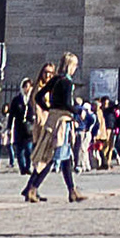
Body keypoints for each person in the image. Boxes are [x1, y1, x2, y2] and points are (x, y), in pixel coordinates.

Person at [23, 55, 83, 202]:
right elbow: (67, 104)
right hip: (62, 122)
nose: (75, 68)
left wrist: (49, 108)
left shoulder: (55, 80)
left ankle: (72, 190)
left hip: (52, 119)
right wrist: (77, 111)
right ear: (70, 66)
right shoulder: (67, 82)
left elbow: (38, 97)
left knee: (65, 157)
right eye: (74, 65)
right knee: (52, 156)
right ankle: (32, 188)